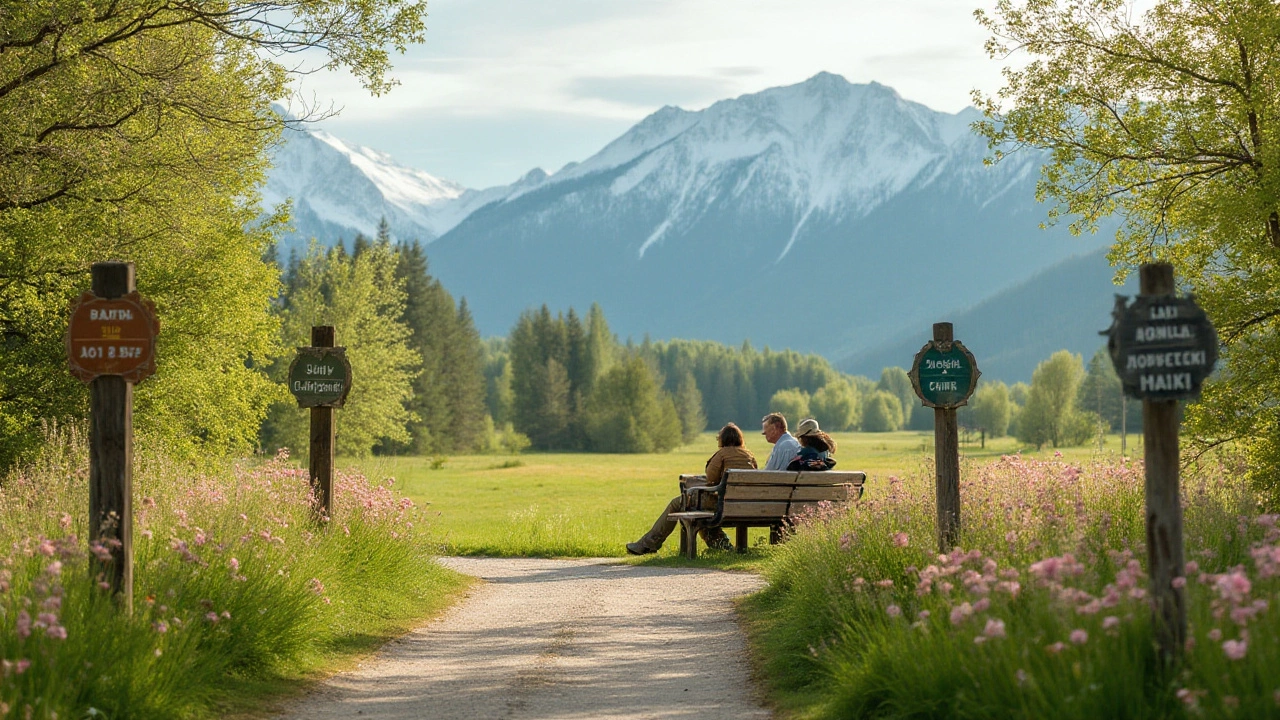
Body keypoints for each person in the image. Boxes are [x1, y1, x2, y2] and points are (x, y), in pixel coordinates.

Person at [627, 423, 756, 555]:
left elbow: (711, 476)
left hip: (721, 505)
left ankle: (648, 544)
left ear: (722, 439)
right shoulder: (749, 456)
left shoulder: (722, 454)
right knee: (695, 510)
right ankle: (723, 547)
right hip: (743, 506)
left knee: (678, 503)